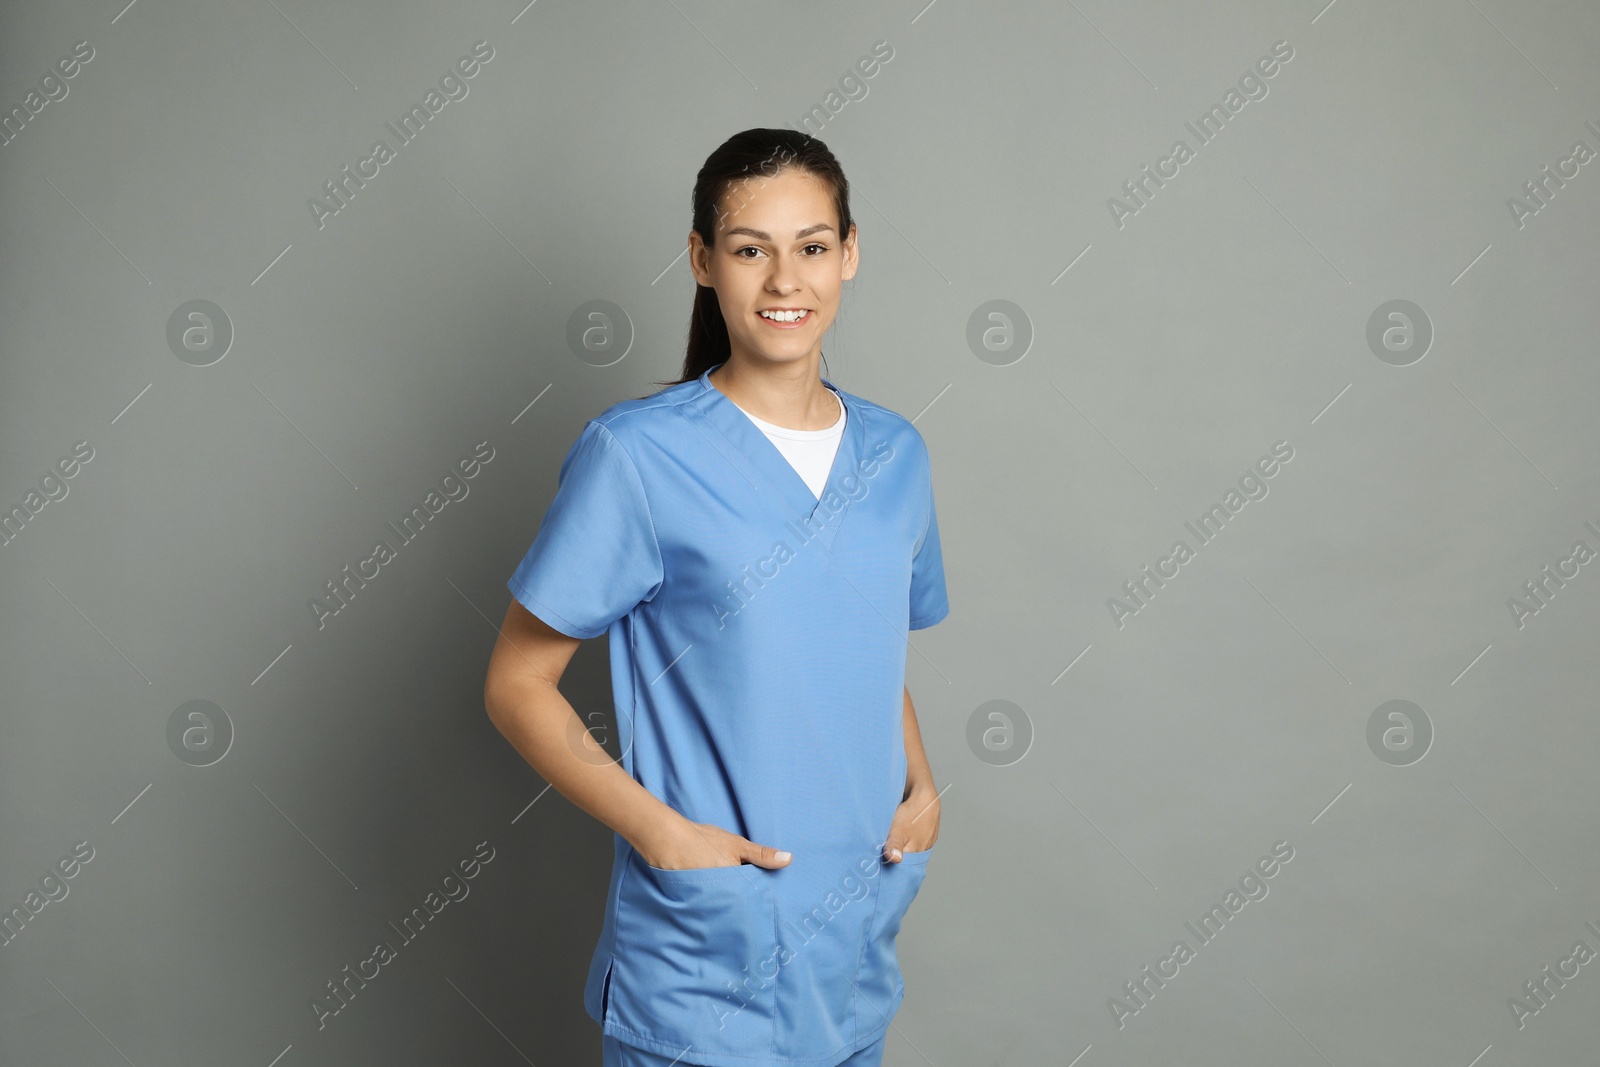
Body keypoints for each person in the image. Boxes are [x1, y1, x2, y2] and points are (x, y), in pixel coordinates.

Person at [483, 128, 950, 1067]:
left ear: (850, 253)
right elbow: (516, 685)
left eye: (812, 247)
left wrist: (922, 786)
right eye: (750, 250)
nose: (786, 281)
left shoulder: (896, 455)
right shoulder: (640, 456)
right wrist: (660, 831)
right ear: (703, 261)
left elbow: (865, 652)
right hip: (705, 963)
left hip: (851, 948)